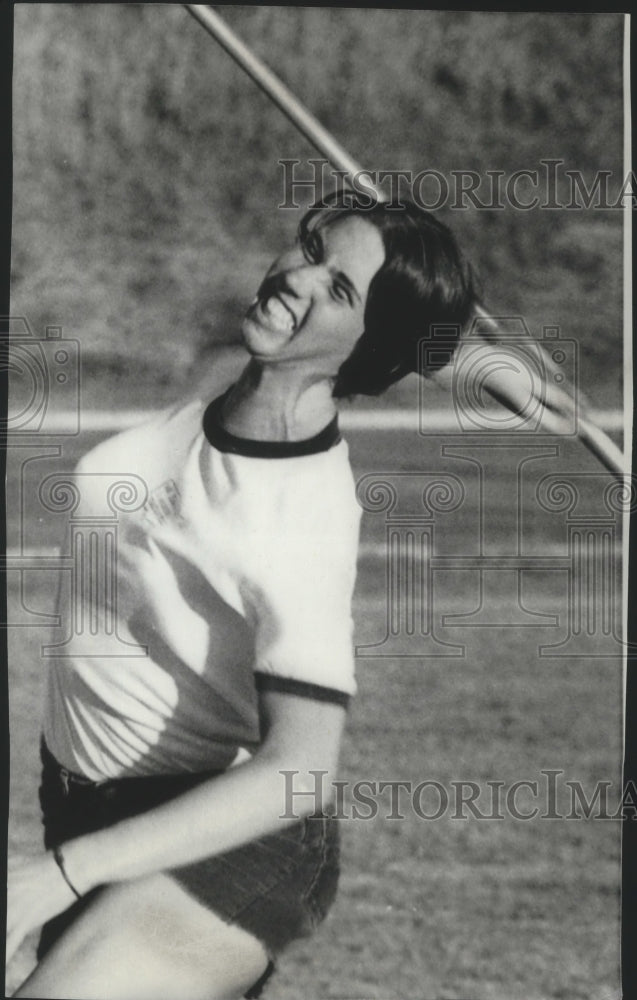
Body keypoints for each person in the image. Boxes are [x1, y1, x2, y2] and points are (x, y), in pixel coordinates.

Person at [5, 193, 622, 1000]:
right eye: (308, 249)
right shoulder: (237, 384)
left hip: (222, 843)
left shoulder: (299, 515)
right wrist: (453, 355)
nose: (295, 277)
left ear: (365, 341)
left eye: (337, 289)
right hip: (92, 813)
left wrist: (59, 875)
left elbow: (300, 768)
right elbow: (343, 346)